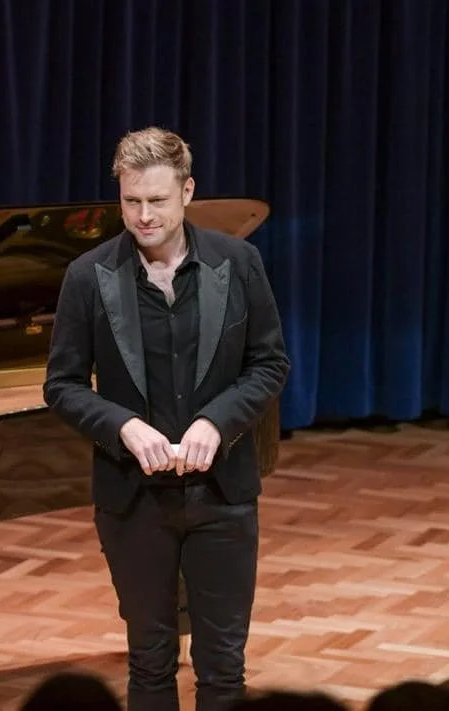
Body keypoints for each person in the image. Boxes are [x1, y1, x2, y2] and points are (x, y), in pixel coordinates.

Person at [43, 126, 290, 711]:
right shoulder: (88, 276)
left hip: (222, 495)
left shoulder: (239, 262)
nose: (144, 215)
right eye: (132, 201)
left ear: (187, 192)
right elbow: (62, 385)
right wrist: (122, 426)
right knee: (150, 663)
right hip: (135, 502)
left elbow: (269, 362)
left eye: (157, 200)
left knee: (223, 668)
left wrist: (216, 422)